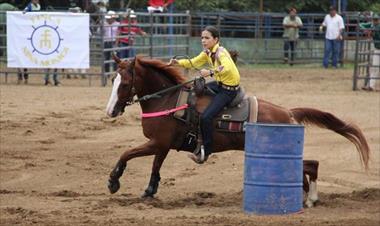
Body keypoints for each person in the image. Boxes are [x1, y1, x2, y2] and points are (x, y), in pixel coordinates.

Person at [168, 26, 240, 164]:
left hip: (228, 91)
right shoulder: (208, 52)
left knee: (206, 117)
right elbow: (193, 62)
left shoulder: (221, 53)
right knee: (195, 89)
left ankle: (206, 150)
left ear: (216, 39)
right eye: (202, 37)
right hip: (220, 84)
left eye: (207, 38)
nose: (203, 40)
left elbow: (228, 67)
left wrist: (211, 72)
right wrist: (177, 63)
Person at [360, 13, 380, 91]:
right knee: (375, 67)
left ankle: (371, 85)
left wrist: (370, 30)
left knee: (375, 67)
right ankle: (371, 86)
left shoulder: (376, 27)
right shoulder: (372, 26)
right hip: (377, 48)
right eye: (374, 19)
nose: (375, 21)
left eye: (377, 19)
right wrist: (367, 29)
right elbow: (361, 24)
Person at [103, 10, 119, 75]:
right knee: (106, 58)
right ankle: (107, 73)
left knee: (115, 58)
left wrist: (117, 43)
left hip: (114, 42)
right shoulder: (104, 24)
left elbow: (119, 34)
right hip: (106, 42)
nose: (108, 20)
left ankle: (115, 72)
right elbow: (99, 32)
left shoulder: (118, 24)